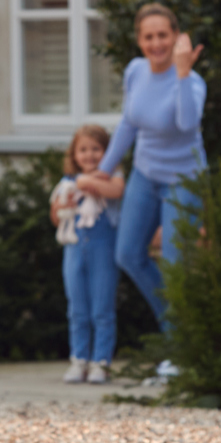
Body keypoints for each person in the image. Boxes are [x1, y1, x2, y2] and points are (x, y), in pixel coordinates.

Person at [92, 3, 205, 382]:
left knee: (173, 262)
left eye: (163, 35)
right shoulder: (136, 72)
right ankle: (177, 336)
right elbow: (128, 123)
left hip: (183, 178)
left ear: (176, 38)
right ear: (140, 41)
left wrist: (183, 73)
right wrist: (101, 172)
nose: (156, 43)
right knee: (127, 254)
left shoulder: (192, 82)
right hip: (145, 174)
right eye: (148, 36)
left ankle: (181, 349)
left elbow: (187, 123)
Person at [49, 124, 125, 384]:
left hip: (103, 250)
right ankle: (79, 359)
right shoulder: (67, 184)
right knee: (77, 308)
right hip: (74, 251)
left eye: (96, 149)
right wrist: (63, 207)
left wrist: (88, 182)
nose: (89, 155)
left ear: (108, 152)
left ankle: (100, 362)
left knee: (102, 308)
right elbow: (56, 217)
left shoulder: (112, 178)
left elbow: (116, 191)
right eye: (83, 150)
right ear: (74, 155)